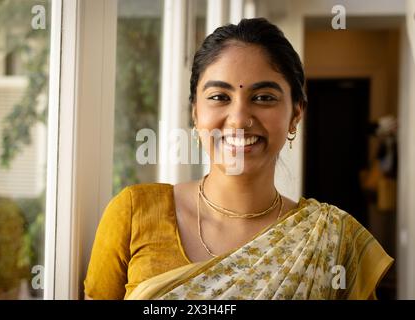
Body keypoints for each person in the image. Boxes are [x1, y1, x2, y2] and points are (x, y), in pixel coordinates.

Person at [84, 18, 393, 300]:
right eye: (220, 97)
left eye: (264, 98)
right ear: (195, 112)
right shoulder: (135, 213)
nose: (240, 119)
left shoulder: (332, 241)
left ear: (295, 114)